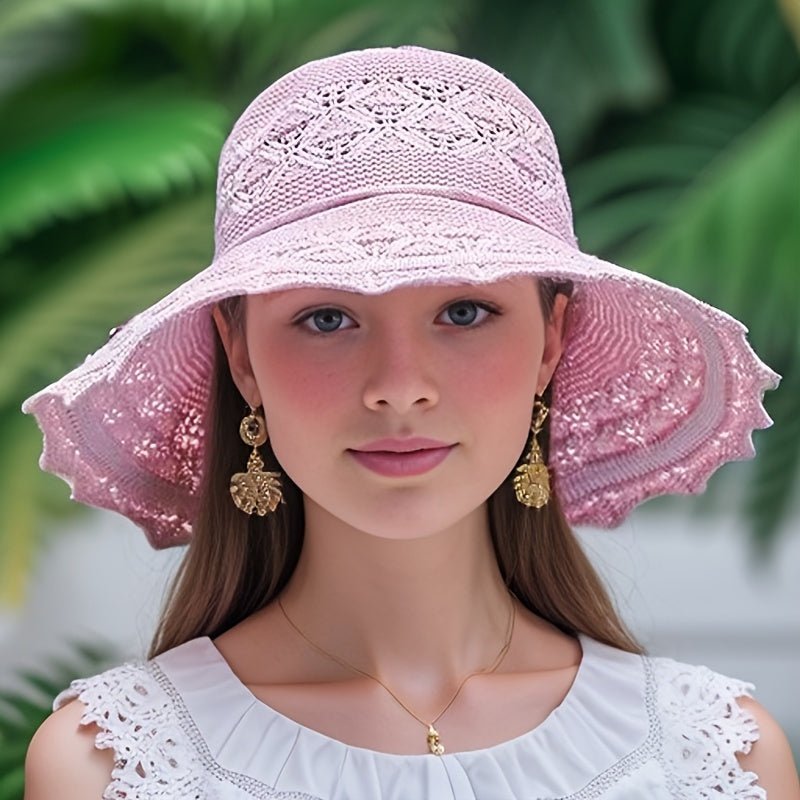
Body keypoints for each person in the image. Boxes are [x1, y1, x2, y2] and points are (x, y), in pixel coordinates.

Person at [22, 46, 798, 799]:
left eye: (464, 312)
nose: (399, 389)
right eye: (327, 318)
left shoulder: (715, 757)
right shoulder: (110, 769)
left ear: (550, 343)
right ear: (242, 356)